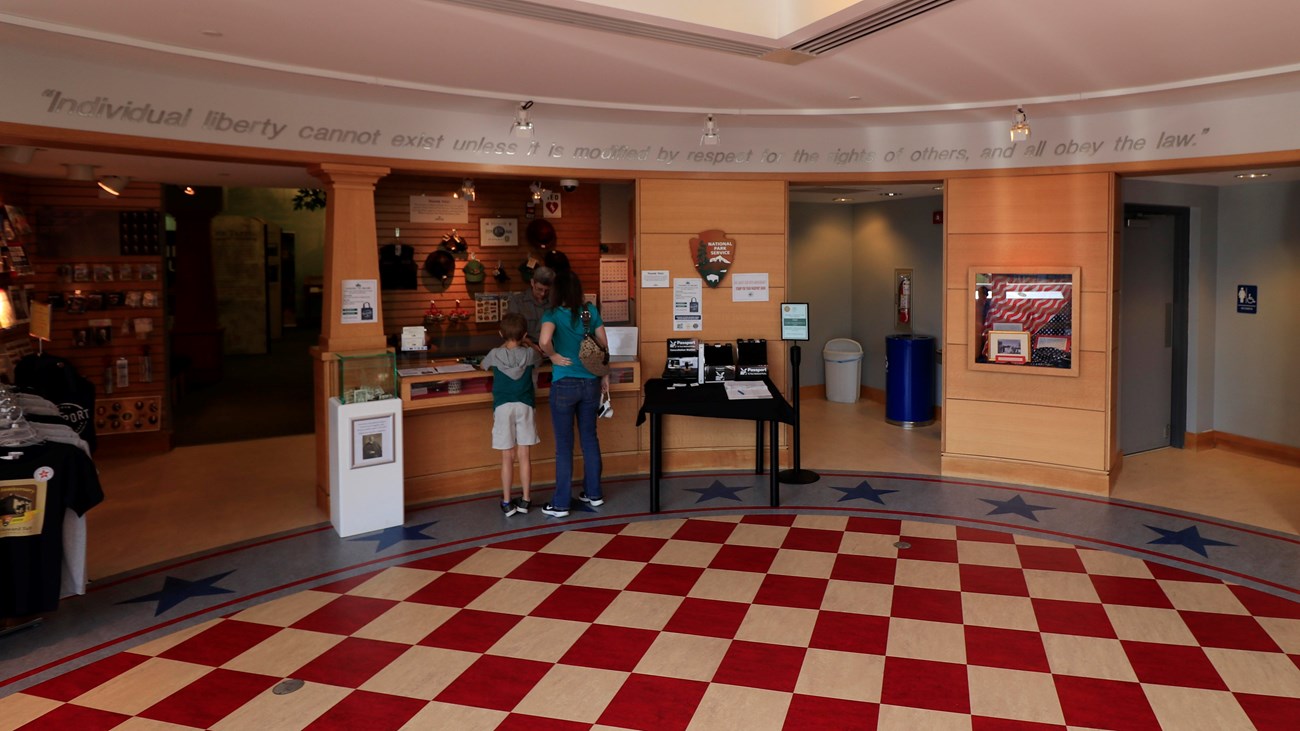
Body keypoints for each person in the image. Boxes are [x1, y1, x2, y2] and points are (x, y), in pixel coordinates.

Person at [538, 270, 608, 518]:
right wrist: (604, 377)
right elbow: (603, 347)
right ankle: (594, 493)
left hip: (564, 383)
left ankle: (560, 504)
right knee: (589, 438)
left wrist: (554, 355)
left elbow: (544, 340)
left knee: (564, 446)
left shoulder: (552, 314)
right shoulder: (590, 312)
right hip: (590, 383)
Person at [480, 313, 542, 517]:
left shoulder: (494, 354)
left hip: (503, 407)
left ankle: (507, 502)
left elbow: (482, 366)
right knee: (525, 455)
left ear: (500, 333)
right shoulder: (530, 355)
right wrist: (529, 344)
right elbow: (541, 356)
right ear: (524, 334)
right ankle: (525, 500)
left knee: (507, 456)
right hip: (525, 405)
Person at [505, 264, 555, 355]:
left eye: (547, 290)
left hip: (551, 350)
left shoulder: (555, 303)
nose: (543, 294)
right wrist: (530, 344)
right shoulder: (517, 302)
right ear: (532, 283)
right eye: (539, 289)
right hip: (524, 350)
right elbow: (511, 333)